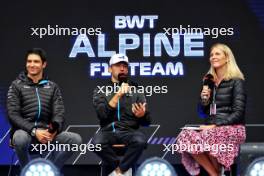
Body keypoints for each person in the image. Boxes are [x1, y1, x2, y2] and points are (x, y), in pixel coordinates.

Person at [176, 43, 246, 176]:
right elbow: (202, 113)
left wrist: (215, 125)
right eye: (211, 55)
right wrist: (204, 100)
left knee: (209, 135)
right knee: (185, 135)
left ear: (227, 58)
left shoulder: (236, 82)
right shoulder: (208, 82)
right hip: (211, 127)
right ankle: (215, 174)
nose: (213, 57)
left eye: (217, 54)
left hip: (233, 127)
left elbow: (239, 113)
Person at [7, 48, 82, 170]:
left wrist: (52, 131)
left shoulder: (52, 87)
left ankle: (51, 169)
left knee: (75, 140)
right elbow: (13, 114)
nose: (31, 65)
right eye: (29, 61)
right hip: (26, 132)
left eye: (36, 61)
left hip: (47, 133)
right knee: (19, 138)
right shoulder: (16, 85)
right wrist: (34, 131)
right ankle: (28, 170)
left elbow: (59, 113)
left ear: (44, 64)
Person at [92, 53, 151, 176]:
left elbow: (147, 121)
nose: (122, 68)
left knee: (140, 140)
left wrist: (142, 115)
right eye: (118, 65)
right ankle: (121, 167)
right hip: (108, 131)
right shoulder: (100, 90)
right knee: (96, 144)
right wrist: (118, 94)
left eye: (125, 66)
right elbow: (102, 114)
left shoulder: (136, 90)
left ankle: (119, 171)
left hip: (129, 131)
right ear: (110, 69)